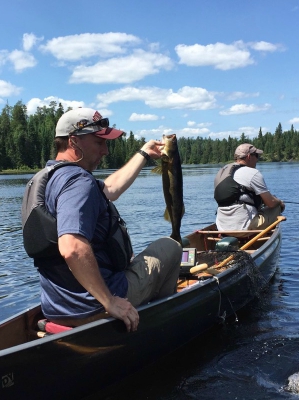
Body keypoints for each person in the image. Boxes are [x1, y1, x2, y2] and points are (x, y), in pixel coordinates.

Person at [22, 107, 182, 333]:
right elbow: (72, 248)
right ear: (74, 142)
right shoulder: (79, 183)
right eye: (99, 143)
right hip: (95, 305)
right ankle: (161, 324)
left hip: (59, 307)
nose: (105, 151)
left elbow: (111, 189)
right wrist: (109, 301)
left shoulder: (49, 178)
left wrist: (144, 154)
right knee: (171, 246)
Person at [213, 143, 285, 231]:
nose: (257, 159)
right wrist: (279, 202)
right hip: (244, 227)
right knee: (277, 206)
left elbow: (236, 196)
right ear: (249, 156)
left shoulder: (221, 172)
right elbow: (271, 203)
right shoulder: (252, 173)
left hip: (221, 226)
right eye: (256, 156)